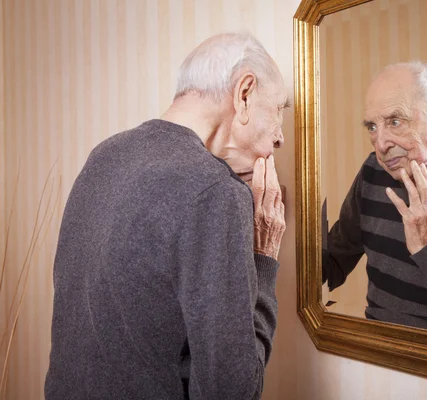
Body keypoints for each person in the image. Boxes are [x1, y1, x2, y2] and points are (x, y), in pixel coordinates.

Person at [45, 32, 288, 399]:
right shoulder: (215, 191)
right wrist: (264, 260)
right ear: (244, 94)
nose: (281, 137)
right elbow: (232, 392)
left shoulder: (104, 155)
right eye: (279, 110)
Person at [322, 62, 427, 338]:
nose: (381, 143)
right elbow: (333, 263)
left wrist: (425, 248)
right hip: (380, 360)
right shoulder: (373, 171)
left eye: (395, 122)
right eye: (372, 127)